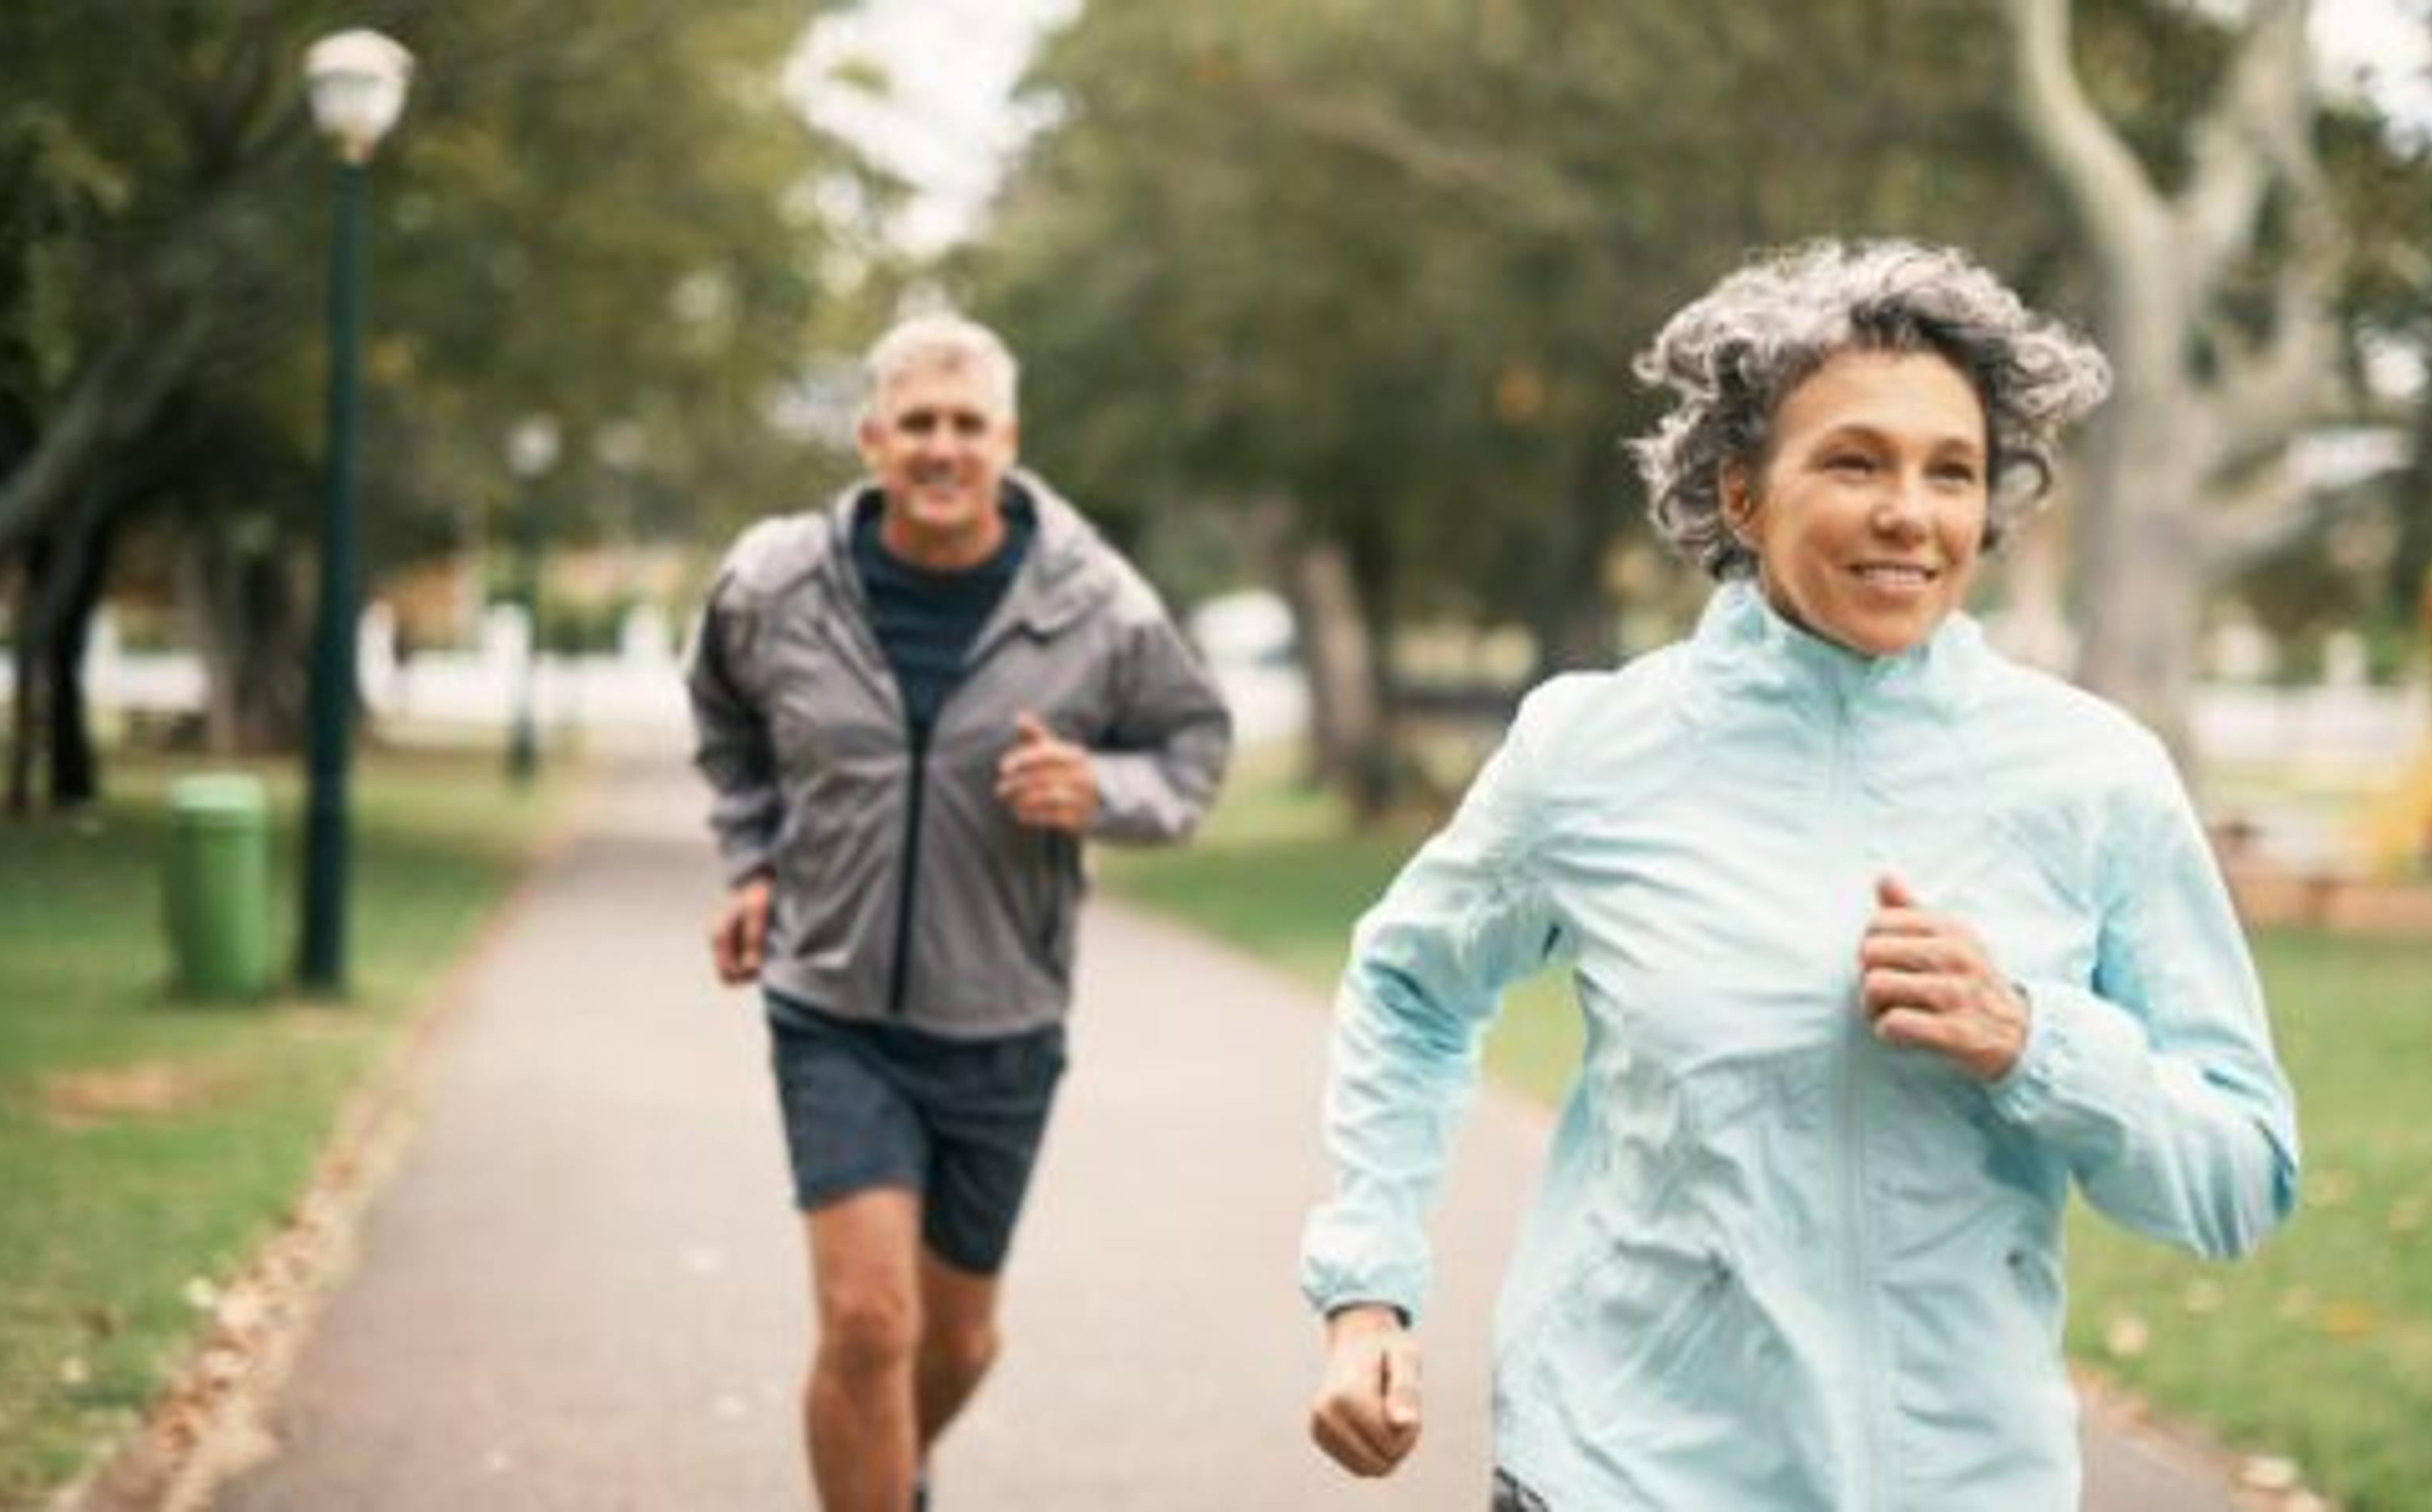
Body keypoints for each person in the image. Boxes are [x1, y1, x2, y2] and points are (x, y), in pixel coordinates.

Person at [1300, 241, 2298, 1510]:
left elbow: (2241, 1176)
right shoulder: (1594, 752)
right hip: (1624, 1470)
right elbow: (1409, 987)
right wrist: (1368, 1283)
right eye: (1854, 461)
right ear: (1740, 494)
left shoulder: (2094, 776)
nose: (1911, 513)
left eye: (1953, 472)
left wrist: (2034, 1042)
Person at [688, 311, 1229, 1510]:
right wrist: (754, 860)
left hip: (1003, 1016)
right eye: (918, 423)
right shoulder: (777, 582)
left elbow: (1192, 750)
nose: (942, 448)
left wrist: (1101, 789)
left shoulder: (1095, 602)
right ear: (873, 436)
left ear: (1008, 440)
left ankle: (880, 1466)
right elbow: (726, 719)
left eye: (967, 424)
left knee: (955, 1344)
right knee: (869, 1322)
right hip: (831, 1003)